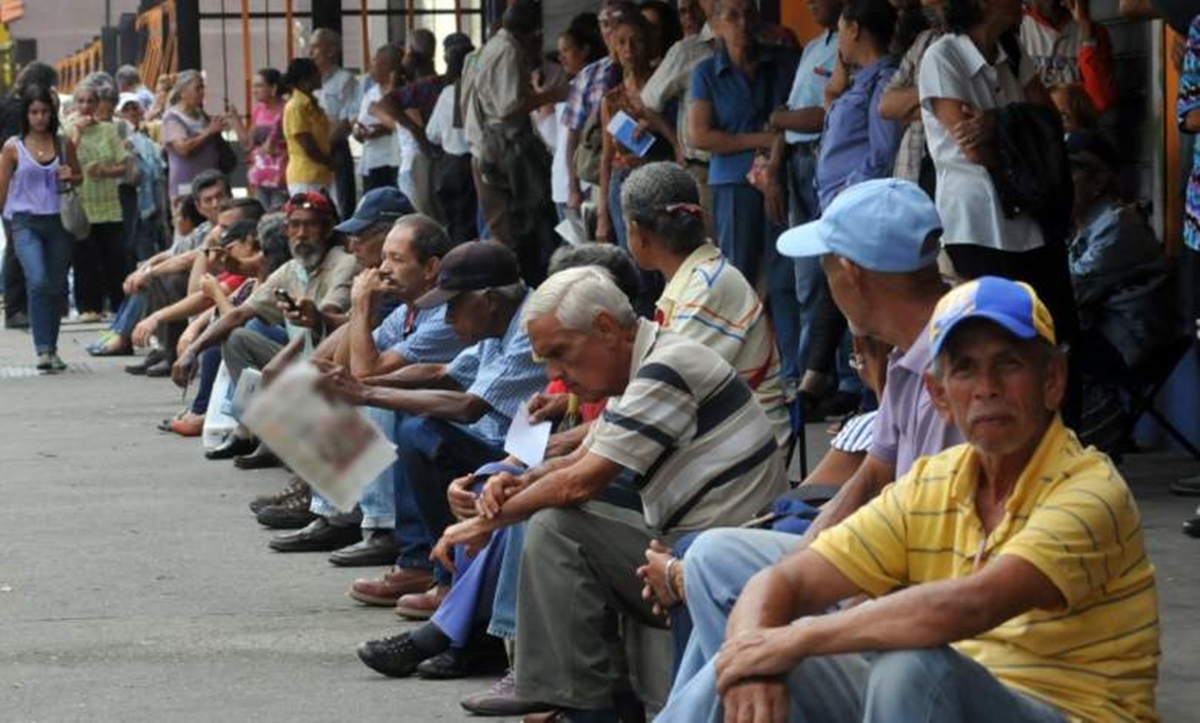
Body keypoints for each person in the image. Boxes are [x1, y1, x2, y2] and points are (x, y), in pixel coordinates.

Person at [658, 277, 1160, 723]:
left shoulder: (1089, 490)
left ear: (1053, 381)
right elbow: (784, 579)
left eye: (1008, 365)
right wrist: (753, 662)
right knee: (743, 656)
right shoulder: (933, 482)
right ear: (939, 395)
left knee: (910, 663)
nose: (986, 389)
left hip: (1062, 709)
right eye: (965, 369)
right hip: (944, 698)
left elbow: (972, 604)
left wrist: (794, 639)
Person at [424, 265, 785, 721]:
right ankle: (584, 697)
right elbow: (575, 461)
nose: (555, 373)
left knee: (557, 528)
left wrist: (487, 519)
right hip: (695, 539)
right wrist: (515, 482)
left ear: (606, 329)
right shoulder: (644, 366)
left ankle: (585, 707)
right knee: (550, 516)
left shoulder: (666, 367)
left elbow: (581, 481)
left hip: (719, 552)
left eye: (560, 354)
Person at [660, 179, 965, 701]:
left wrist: (813, 596)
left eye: (826, 267)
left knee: (748, 631)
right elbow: (873, 474)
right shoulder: (905, 351)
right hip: (888, 560)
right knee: (712, 557)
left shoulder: (957, 364)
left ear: (850, 273)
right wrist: (797, 565)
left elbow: (935, 547)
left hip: (924, 595)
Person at [319, 241, 548, 618]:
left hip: (527, 456)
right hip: (505, 446)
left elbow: (468, 407)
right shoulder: (499, 322)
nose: (448, 317)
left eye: (454, 305)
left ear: (488, 300)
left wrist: (369, 393)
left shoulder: (528, 326)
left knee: (422, 431)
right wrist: (366, 386)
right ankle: (420, 562)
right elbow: (444, 373)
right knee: (413, 420)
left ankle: (442, 575)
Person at [919, 0, 1080, 397]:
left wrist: (995, 122)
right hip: (976, 224)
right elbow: (974, 148)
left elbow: (1048, 119)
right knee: (998, 342)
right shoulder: (943, 56)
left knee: (1054, 337)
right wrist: (1017, 135)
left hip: (1032, 218)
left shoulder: (1012, 52)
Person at [169, 192, 359, 458]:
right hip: (302, 360)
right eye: (295, 225)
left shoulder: (344, 263)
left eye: (310, 225)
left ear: (327, 229)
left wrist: (285, 354)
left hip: (332, 366)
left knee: (262, 345)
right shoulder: (291, 268)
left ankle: (280, 441)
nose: (301, 234)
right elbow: (239, 314)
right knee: (236, 338)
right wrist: (192, 350)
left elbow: (328, 316)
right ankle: (254, 432)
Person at [621, 161, 789, 441]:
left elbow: (664, 392)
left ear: (639, 233)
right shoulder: (695, 279)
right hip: (725, 432)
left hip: (746, 443)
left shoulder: (708, 287)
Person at [690, 0, 801, 386]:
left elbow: (795, 114)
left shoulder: (781, 62)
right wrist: (761, 139)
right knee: (739, 276)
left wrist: (773, 159)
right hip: (734, 182)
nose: (743, 23)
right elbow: (700, 135)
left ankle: (792, 371)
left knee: (785, 276)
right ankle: (738, 371)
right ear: (716, 24)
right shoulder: (707, 72)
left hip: (781, 177)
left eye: (749, 14)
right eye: (732, 16)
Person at [462, 0, 567, 283]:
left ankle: (509, 284)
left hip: (485, 146)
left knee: (503, 226)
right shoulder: (507, 50)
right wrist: (552, 95)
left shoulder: (484, 51)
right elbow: (509, 107)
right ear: (532, 32)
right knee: (519, 226)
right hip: (504, 148)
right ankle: (517, 287)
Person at [770, 0, 843, 394]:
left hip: (824, 158)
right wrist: (774, 169)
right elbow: (790, 112)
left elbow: (824, 114)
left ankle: (841, 377)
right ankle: (807, 374)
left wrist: (780, 118)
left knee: (836, 269)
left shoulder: (849, 45)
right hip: (796, 161)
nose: (812, 4)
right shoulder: (814, 47)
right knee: (806, 277)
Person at [597, 12, 679, 315]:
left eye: (637, 41)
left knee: (669, 258)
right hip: (624, 184)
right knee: (636, 265)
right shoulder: (611, 99)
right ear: (614, 49)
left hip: (662, 181)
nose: (629, 49)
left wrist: (656, 123)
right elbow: (606, 158)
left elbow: (679, 141)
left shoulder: (665, 87)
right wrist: (602, 215)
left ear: (650, 44)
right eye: (622, 43)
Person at [0, 84, 81, 371]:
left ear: (52, 113)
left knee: (56, 287)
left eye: (45, 111)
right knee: (38, 281)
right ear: (26, 114)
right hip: (25, 222)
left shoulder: (63, 143)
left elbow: (79, 176)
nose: (40, 117)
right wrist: (7, 225)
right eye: (34, 112)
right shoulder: (12, 147)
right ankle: (43, 350)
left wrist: (71, 175)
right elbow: (2, 189)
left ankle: (52, 348)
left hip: (59, 222)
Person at [816, 0, 902, 209]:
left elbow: (883, 152)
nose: (838, 41)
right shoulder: (860, 81)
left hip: (854, 204)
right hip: (836, 201)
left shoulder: (883, 81)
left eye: (840, 31)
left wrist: (847, 192)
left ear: (854, 29)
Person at [640, 0, 716, 214]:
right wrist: (675, 142)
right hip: (702, 167)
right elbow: (649, 101)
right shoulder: (686, 51)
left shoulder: (752, 42)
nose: (690, 16)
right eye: (683, 11)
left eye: (695, 8)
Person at [1, 61, 60, 331]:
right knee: (18, 252)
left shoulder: (11, 106)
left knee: (21, 253)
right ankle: (16, 308)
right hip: (20, 196)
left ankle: (21, 306)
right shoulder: (17, 112)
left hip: (30, 197)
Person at [70, 73, 131, 321]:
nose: (86, 106)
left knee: (115, 257)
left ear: (98, 104)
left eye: (90, 101)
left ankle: (120, 306)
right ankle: (89, 308)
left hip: (109, 206)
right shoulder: (66, 128)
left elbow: (124, 165)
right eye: (81, 101)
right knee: (85, 260)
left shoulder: (108, 130)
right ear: (75, 103)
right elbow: (64, 158)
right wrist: (77, 130)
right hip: (81, 206)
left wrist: (104, 171)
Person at [879, 0, 946, 191]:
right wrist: (939, 92)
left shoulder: (976, 42)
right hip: (912, 173)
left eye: (903, 10)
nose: (898, 19)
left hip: (951, 176)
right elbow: (886, 106)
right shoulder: (926, 39)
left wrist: (910, 107)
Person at [1019, 0, 1116, 114]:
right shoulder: (1017, 28)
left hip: (1078, 123)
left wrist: (1087, 33)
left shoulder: (1092, 31)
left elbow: (1100, 102)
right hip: (1036, 122)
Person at [425, 34, 477, 244]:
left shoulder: (448, 92)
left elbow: (432, 133)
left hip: (449, 165)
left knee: (453, 222)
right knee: (472, 222)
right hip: (473, 163)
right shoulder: (478, 90)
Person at [309, 28, 360, 218]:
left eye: (315, 47)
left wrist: (325, 146)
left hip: (335, 148)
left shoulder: (345, 79)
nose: (310, 53)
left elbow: (347, 119)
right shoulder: (309, 83)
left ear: (331, 51)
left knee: (340, 204)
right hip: (310, 151)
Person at [160, 70, 225, 201]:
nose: (202, 92)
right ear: (183, 92)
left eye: (203, 88)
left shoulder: (202, 115)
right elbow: (183, 148)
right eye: (198, 88)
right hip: (186, 186)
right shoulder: (172, 118)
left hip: (209, 185)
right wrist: (208, 131)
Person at [231, 68, 288, 210]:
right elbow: (248, 144)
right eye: (253, 86)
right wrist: (235, 120)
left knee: (278, 214)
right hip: (260, 175)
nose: (254, 91)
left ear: (273, 88)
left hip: (281, 175)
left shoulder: (287, 109)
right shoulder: (259, 110)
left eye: (259, 86)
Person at [281, 58, 333, 196]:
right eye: (316, 72)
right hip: (306, 176)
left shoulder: (312, 104)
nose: (320, 75)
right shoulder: (296, 106)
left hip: (320, 175)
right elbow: (306, 142)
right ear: (305, 79)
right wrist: (329, 162)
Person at [355, 45, 403, 194]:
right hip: (372, 161)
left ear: (386, 66)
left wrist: (384, 129)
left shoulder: (403, 92)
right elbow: (360, 122)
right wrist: (358, 131)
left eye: (374, 62)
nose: (369, 66)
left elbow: (404, 125)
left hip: (395, 161)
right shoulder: (371, 93)